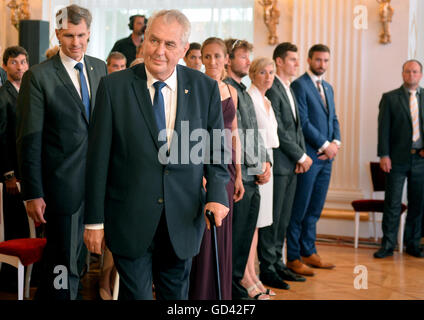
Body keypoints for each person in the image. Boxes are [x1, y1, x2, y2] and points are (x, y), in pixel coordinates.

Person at [83, 10, 230, 300]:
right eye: (153, 40)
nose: (159, 51)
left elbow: (215, 151)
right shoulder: (114, 87)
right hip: (129, 219)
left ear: (185, 49)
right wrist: (94, 222)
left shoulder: (205, 89)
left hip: (183, 220)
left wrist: (217, 194)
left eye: (169, 44)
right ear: (144, 40)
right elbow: (97, 159)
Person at [16, 4, 107, 300]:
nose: (76, 42)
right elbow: (29, 138)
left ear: (89, 33)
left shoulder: (99, 68)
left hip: (96, 189)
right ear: (57, 34)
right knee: (60, 265)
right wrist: (33, 192)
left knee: (78, 263)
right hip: (59, 190)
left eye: (81, 35)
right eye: (69, 35)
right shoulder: (39, 76)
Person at [189, 37, 244, 300]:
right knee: (204, 232)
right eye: (206, 56)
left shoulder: (231, 90)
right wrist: (199, 174)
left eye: (216, 56)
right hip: (204, 165)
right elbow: (192, 132)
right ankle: (200, 294)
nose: (211, 61)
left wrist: (240, 174)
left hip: (229, 169)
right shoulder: (196, 87)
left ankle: (220, 295)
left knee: (223, 231)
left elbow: (234, 133)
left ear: (226, 59)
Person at [258, 43, 312, 286]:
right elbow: (278, 128)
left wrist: (298, 158)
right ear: (278, 61)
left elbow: (296, 128)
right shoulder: (272, 88)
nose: (296, 64)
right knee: (273, 220)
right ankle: (268, 267)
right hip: (278, 165)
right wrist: (301, 156)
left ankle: (279, 264)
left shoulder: (288, 88)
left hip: (290, 165)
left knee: (284, 219)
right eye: (292, 59)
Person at [287, 44, 341, 276]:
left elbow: (334, 118)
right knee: (300, 208)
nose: (322, 65)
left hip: (327, 159)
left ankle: (309, 251)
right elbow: (304, 122)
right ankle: (293, 257)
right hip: (309, 157)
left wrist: (336, 143)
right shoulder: (300, 85)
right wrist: (324, 145)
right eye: (318, 60)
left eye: (326, 61)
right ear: (309, 60)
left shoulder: (327, 87)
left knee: (315, 209)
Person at [223, 38, 272, 300]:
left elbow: (256, 133)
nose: (248, 61)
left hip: (255, 171)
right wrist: (247, 168)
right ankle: (234, 287)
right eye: (243, 57)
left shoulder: (242, 90)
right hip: (241, 173)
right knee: (237, 235)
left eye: (248, 56)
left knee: (246, 233)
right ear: (229, 60)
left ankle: (242, 280)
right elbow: (235, 136)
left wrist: (266, 162)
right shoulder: (226, 89)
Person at [375, 59, 424, 258]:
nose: (411, 75)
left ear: (420, 75)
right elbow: (383, 129)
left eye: (415, 72)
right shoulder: (390, 98)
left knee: (418, 203)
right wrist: (384, 155)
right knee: (393, 203)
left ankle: (412, 244)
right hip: (396, 160)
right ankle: (387, 245)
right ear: (402, 73)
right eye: (407, 72)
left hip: (420, 160)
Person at [242, 57, 279, 299]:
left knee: (257, 226)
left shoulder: (266, 99)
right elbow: (248, 136)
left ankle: (253, 275)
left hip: (268, 163)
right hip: (256, 165)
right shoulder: (250, 97)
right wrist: (259, 166)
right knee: (250, 226)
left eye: (271, 72)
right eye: (263, 72)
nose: (268, 76)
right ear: (253, 74)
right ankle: (246, 277)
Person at [0, 46, 30, 240]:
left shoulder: (29, 92)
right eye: (13, 62)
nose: (19, 67)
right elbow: (1, 137)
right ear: (4, 66)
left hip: (27, 168)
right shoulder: (2, 95)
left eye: (23, 62)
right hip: (11, 173)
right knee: (14, 223)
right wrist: (8, 173)